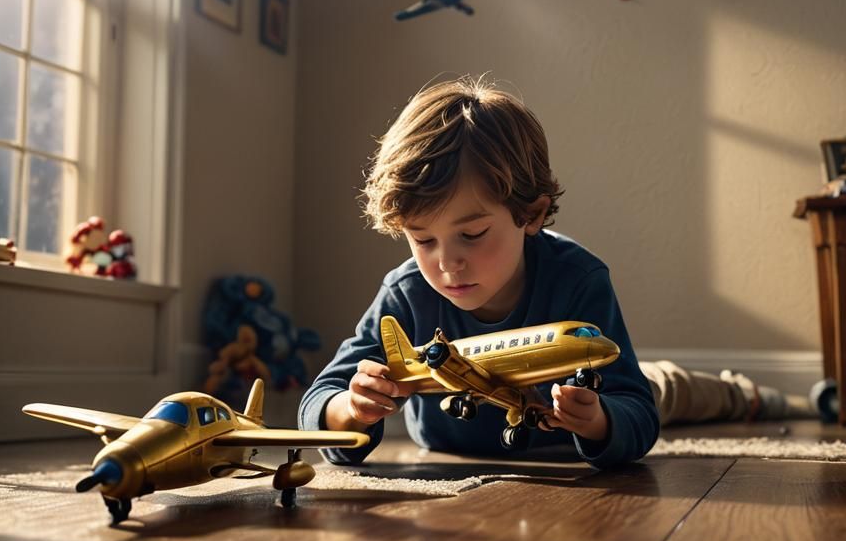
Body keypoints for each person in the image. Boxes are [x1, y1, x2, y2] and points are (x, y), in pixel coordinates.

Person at [298, 76, 809, 468]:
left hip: (608, 396)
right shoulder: (406, 294)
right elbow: (317, 402)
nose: (446, 263)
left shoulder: (578, 278)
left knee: (668, 389)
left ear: (532, 214)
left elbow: (635, 410)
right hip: (467, 443)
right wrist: (350, 410)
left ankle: (761, 396)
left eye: (472, 235)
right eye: (423, 239)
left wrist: (601, 422)